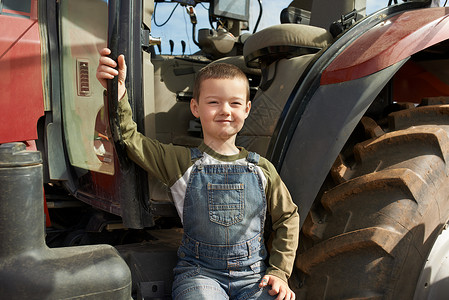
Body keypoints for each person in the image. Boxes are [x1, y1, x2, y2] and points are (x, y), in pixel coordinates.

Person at [96, 48, 299, 300]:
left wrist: (280, 272)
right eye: (213, 102)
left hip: (254, 277)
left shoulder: (262, 169)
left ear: (247, 109)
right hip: (200, 275)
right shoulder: (179, 162)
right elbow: (129, 138)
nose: (225, 110)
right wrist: (117, 93)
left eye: (234, 103)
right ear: (195, 107)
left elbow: (288, 217)